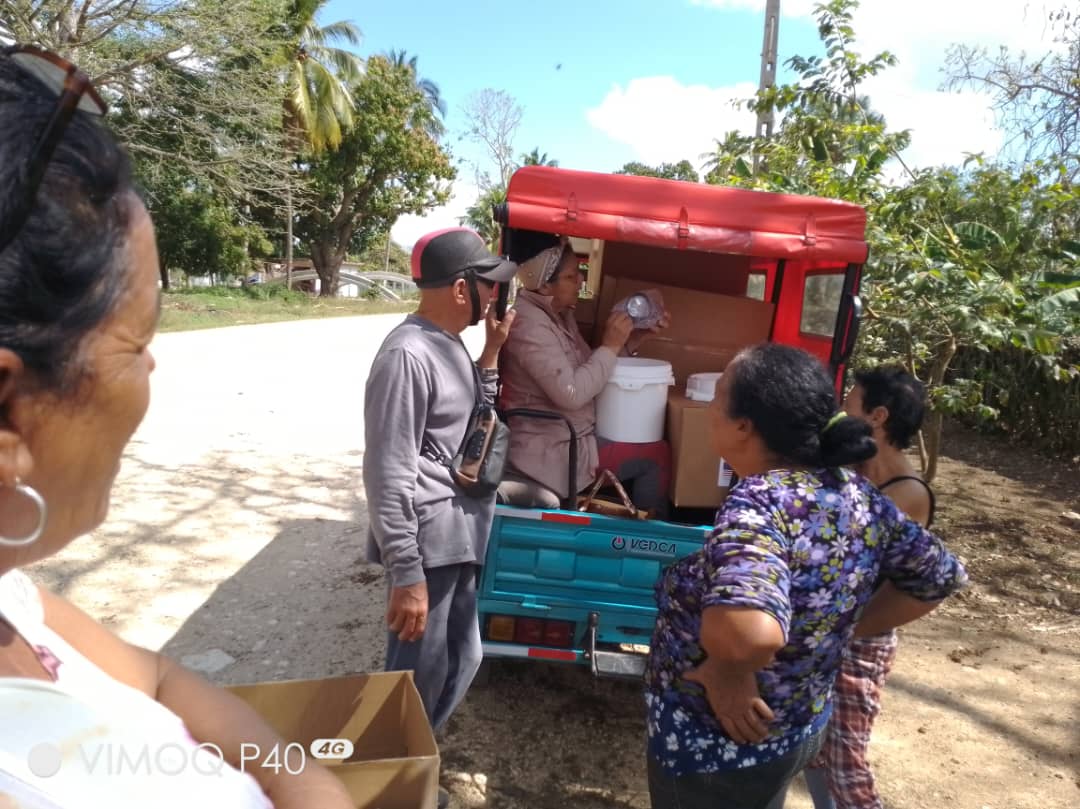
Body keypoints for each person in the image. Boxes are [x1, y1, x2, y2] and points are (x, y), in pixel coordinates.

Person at [0, 45, 353, 808]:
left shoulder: (13, 599)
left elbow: (159, 676)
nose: (153, 368)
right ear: (5, 415)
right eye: (137, 343)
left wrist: (305, 783)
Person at [643, 343, 967, 809]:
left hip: (717, 749)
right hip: (795, 727)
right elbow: (941, 576)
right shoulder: (854, 490)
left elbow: (748, 635)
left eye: (717, 395)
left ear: (743, 426)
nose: (710, 408)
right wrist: (844, 629)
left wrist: (729, 670)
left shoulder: (761, 501)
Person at [362, 227, 517, 809]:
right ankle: (389, 790)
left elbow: (470, 423)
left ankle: (407, 777)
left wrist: (491, 356)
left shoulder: (449, 343)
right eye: (488, 284)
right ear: (459, 288)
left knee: (461, 660)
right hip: (429, 545)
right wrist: (406, 573)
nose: (495, 295)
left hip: (461, 535)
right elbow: (387, 471)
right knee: (413, 681)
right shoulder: (407, 355)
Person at [790, 366, 936, 809]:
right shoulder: (854, 471)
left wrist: (848, 630)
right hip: (829, 631)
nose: (840, 410)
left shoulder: (907, 495)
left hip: (860, 640)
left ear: (878, 416)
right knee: (816, 754)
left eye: (849, 402)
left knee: (846, 765)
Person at [497, 235, 672, 514]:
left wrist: (630, 342)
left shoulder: (559, 315)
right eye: (571, 276)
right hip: (556, 450)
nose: (580, 281)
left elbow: (592, 371)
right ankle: (649, 536)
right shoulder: (529, 326)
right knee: (656, 455)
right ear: (545, 285)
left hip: (576, 436)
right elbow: (572, 392)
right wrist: (610, 346)